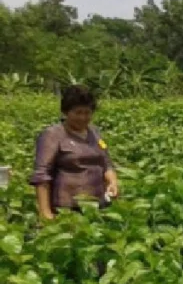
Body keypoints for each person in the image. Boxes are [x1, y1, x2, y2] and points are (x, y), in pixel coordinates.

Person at [29, 85, 119, 220]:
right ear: (66, 112)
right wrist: (45, 213)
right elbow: (42, 175)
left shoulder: (94, 132)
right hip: (68, 208)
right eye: (78, 113)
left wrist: (113, 182)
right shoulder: (53, 135)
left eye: (87, 113)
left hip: (98, 205)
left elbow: (106, 163)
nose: (83, 117)